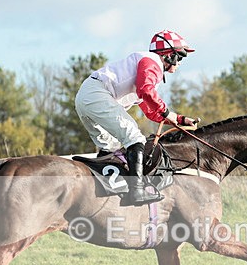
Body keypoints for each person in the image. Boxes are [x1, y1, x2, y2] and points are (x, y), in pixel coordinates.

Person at [75, 30, 198, 205]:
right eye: (179, 58)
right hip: (96, 94)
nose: (178, 64)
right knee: (135, 138)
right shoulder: (152, 62)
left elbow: (149, 110)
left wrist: (178, 119)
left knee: (111, 149)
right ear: (168, 54)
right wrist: (167, 112)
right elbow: (146, 91)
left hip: (86, 97)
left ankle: (103, 195)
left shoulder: (144, 67)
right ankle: (136, 191)